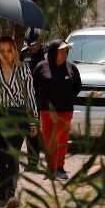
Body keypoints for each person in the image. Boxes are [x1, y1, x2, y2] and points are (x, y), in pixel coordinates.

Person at [0, 34, 39, 208]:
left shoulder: (24, 70)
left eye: (9, 50)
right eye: (2, 51)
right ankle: (2, 196)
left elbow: (30, 96)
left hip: (18, 116)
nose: (6, 54)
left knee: (12, 154)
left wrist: (34, 121)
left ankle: (11, 193)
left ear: (15, 52)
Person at [33, 40, 82, 182]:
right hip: (46, 111)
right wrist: (39, 101)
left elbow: (77, 86)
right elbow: (33, 86)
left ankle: (59, 168)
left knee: (62, 139)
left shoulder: (71, 67)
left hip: (65, 110)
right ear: (54, 51)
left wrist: (68, 98)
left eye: (66, 51)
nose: (64, 53)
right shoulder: (42, 66)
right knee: (49, 140)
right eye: (61, 50)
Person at [21, 27, 46, 170]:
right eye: (29, 44)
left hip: (43, 97)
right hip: (28, 98)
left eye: (34, 43)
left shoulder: (47, 54)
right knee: (30, 130)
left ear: (40, 41)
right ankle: (32, 162)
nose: (32, 47)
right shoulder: (24, 54)